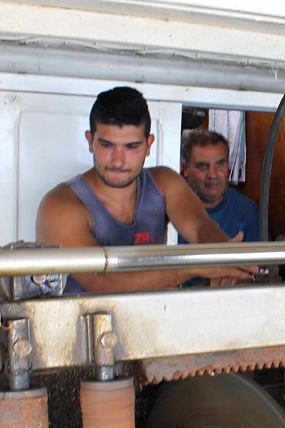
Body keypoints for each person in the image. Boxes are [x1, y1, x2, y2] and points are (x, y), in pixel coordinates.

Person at [36, 87, 256, 293]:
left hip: (147, 323)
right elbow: (101, 280)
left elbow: (200, 227)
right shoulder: (60, 205)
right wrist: (195, 267)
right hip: (80, 329)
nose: (118, 160)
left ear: (148, 145)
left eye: (131, 147)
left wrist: (222, 252)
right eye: (107, 145)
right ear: (90, 141)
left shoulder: (163, 183)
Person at [179, 130, 262, 243]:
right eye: (203, 166)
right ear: (185, 169)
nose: (213, 175)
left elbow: (260, 260)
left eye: (220, 164)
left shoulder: (248, 210)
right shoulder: (170, 207)